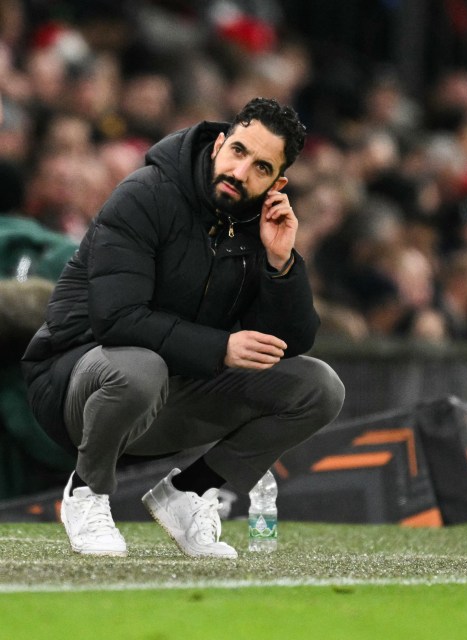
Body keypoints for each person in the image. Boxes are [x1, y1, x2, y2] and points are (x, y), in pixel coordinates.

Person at [21, 97, 346, 558]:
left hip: (171, 394)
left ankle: (188, 494)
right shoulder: (145, 194)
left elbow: (290, 343)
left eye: (261, 167)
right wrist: (220, 348)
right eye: (238, 151)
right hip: (76, 384)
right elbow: (116, 319)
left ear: (278, 182)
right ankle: (86, 492)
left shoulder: (260, 224)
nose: (240, 172)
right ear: (218, 144)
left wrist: (280, 264)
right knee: (140, 367)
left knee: (319, 387)